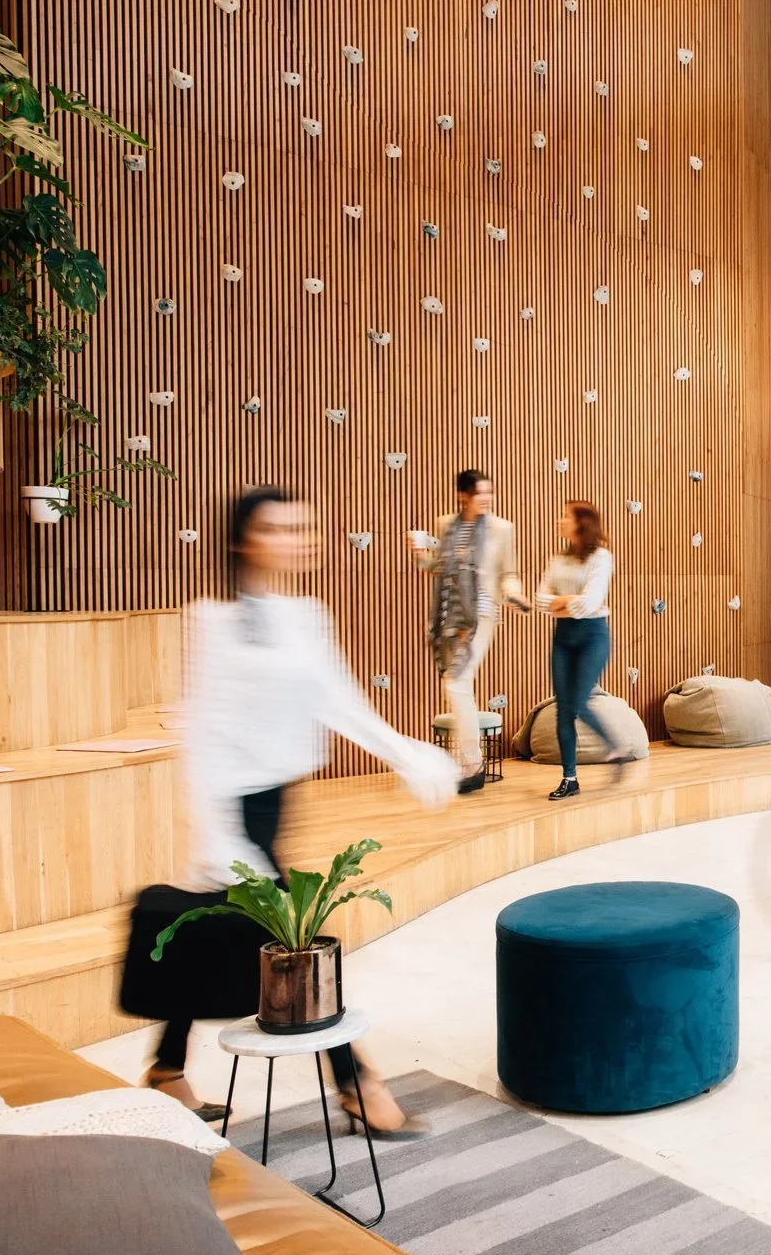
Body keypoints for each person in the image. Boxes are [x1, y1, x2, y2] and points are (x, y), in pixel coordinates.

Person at [122, 487, 459, 1134]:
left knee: (216, 936)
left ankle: (166, 1071)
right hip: (234, 808)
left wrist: (406, 753)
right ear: (242, 541)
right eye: (275, 529)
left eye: (300, 526)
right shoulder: (212, 620)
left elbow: (338, 700)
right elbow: (201, 730)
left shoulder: (307, 614)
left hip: (278, 801)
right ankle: (356, 1081)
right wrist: (217, 834)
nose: (294, 538)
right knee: (294, 947)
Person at [408, 469, 529, 794]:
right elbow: (441, 568)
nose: (487, 498)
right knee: (455, 685)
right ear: (464, 496)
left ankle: (472, 764)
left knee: (457, 682)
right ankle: (469, 762)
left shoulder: (503, 528)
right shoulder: (446, 524)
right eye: (480, 493)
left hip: (482, 614)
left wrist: (514, 593)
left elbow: (509, 572)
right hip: (450, 617)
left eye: (490, 492)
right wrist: (421, 557)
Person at [534, 500, 624, 801]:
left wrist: (561, 602)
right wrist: (571, 602)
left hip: (593, 638)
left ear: (581, 523)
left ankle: (616, 747)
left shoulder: (602, 557)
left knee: (579, 702)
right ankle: (569, 779)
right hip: (563, 639)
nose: (561, 520)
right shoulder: (557, 559)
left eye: (566, 516)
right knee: (563, 710)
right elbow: (540, 601)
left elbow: (588, 605)